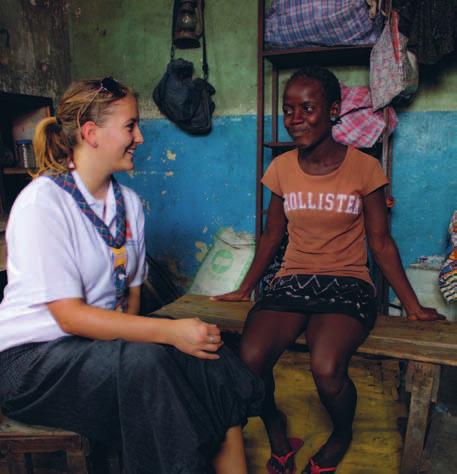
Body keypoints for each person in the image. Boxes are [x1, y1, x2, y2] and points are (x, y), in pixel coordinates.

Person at [0, 77, 263, 474]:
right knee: (148, 364)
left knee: (204, 349)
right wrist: (169, 334)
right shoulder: (43, 202)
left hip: (95, 346)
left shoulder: (129, 204)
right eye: (130, 126)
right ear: (91, 134)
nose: (140, 136)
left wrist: (177, 336)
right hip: (33, 361)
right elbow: (68, 317)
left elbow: (131, 301)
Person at [212, 65, 444, 474]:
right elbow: (271, 237)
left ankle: (341, 434)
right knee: (249, 359)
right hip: (292, 280)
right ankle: (278, 432)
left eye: (307, 108)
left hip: (347, 283)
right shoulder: (281, 168)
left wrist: (412, 307)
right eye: (288, 110)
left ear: (333, 110)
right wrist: (244, 289)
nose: (295, 119)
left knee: (325, 366)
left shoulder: (364, 168)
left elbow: (381, 243)